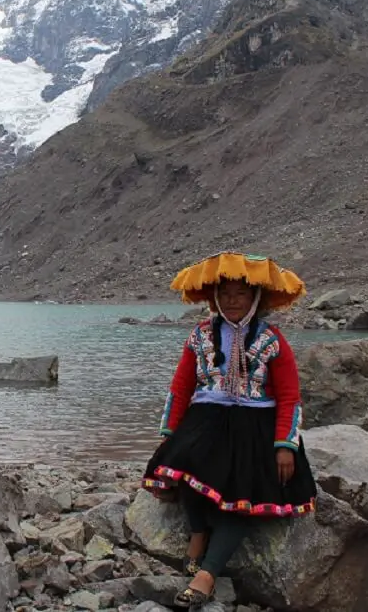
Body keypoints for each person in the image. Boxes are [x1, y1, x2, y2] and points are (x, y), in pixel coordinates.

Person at [140, 251, 318, 608]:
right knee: (182, 465)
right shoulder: (200, 336)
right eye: (226, 294)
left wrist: (285, 445)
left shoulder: (272, 340)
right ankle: (198, 532)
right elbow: (181, 388)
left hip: (255, 427)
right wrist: (169, 434)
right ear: (215, 298)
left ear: (255, 299)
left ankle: (207, 574)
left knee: (242, 496)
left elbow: (289, 397)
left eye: (241, 294)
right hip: (205, 420)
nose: (233, 301)